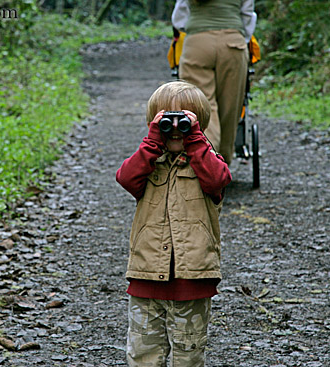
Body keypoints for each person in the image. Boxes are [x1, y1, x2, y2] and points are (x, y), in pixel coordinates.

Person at [116, 81, 231, 366]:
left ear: (199, 127)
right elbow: (125, 178)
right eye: (167, 122)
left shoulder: (207, 163)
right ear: (154, 125)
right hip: (145, 278)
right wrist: (153, 141)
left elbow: (218, 179)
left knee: (188, 356)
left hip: (192, 281)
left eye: (185, 123)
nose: (176, 129)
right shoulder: (148, 164)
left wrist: (195, 140)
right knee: (143, 355)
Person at [172, 0, 257, 165]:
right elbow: (247, 15)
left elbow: (179, 18)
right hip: (233, 44)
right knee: (230, 108)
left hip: (197, 43)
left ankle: (206, 160)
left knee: (200, 105)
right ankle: (222, 161)